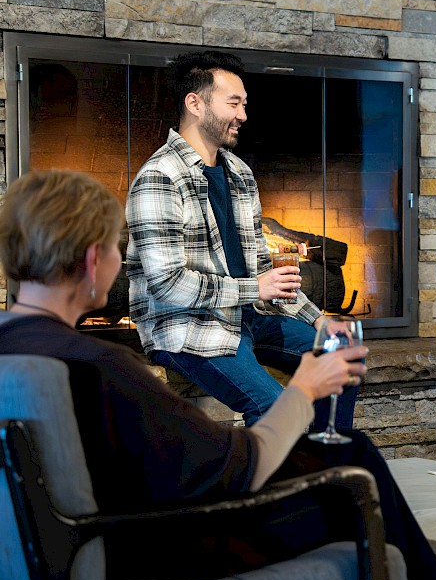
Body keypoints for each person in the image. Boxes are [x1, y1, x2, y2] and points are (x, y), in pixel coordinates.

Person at [0, 169, 436, 580]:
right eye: (124, 252)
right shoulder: (100, 368)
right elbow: (238, 469)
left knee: (340, 456)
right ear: (94, 259)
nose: (126, 265)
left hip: (75, 550)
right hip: (160, 545)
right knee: (351, 461)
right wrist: (303, 388)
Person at [125, 50, 356, 431]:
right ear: (195, 104)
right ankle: (275, 484)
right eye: (233, 103)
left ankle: (323, 471)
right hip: (188, 326)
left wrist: (319, 322)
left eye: (244, 104)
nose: (243, 115)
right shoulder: (160, 177)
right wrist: (254, 289)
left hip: (248, 316)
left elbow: (265, 273)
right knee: (274, 409)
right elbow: (167, 284)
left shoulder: (240, 174)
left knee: (341, 357)